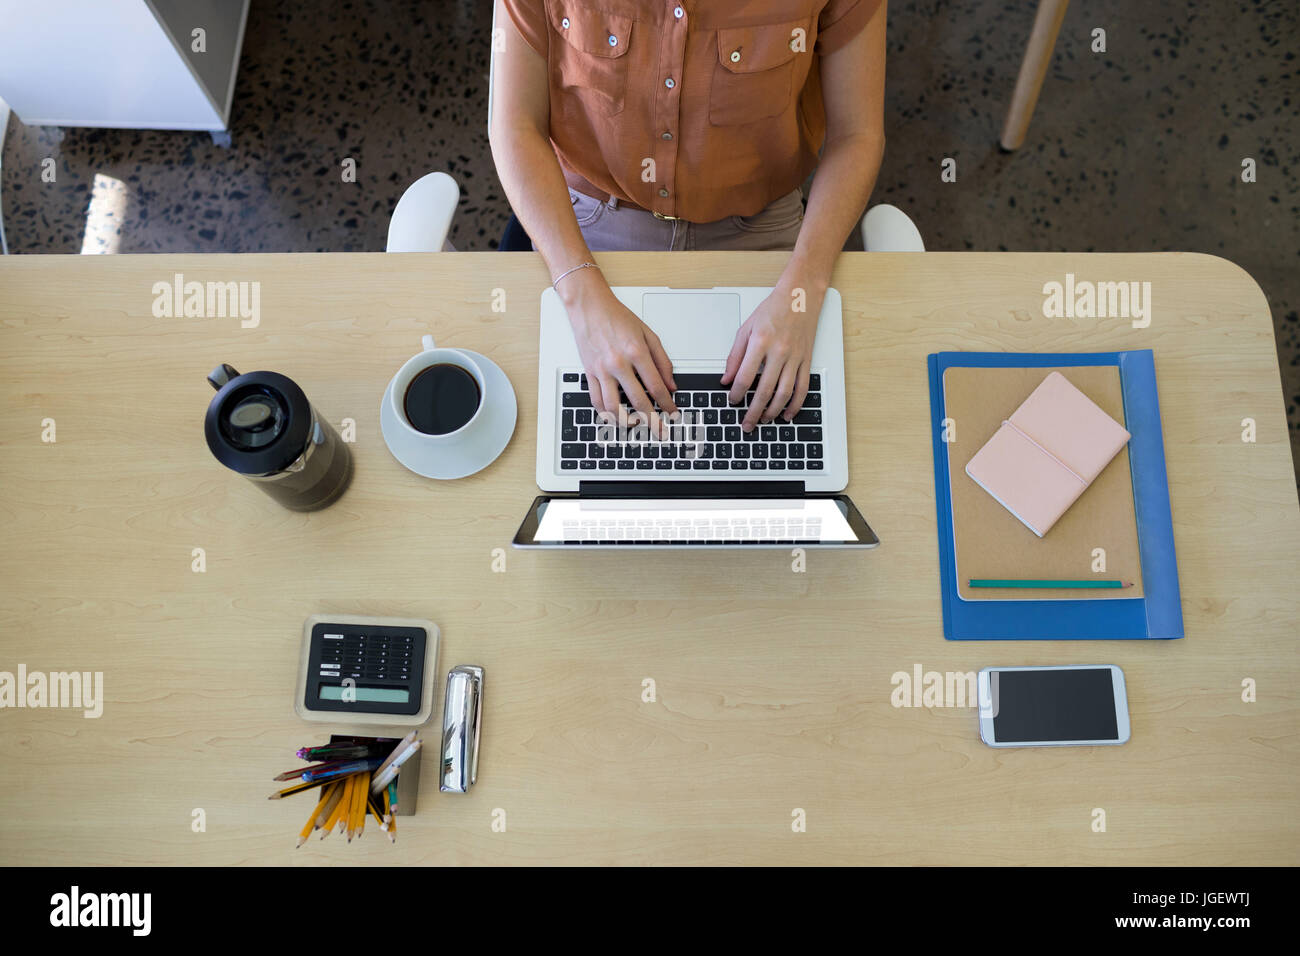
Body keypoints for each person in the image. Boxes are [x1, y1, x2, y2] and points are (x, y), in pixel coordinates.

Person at [490, 0, 885, 432]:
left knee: (789, 443)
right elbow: (514, 125)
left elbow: (857, 135)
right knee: (558, 439)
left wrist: (803, 290)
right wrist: (578, 291)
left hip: (758, 225)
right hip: (589, 225)